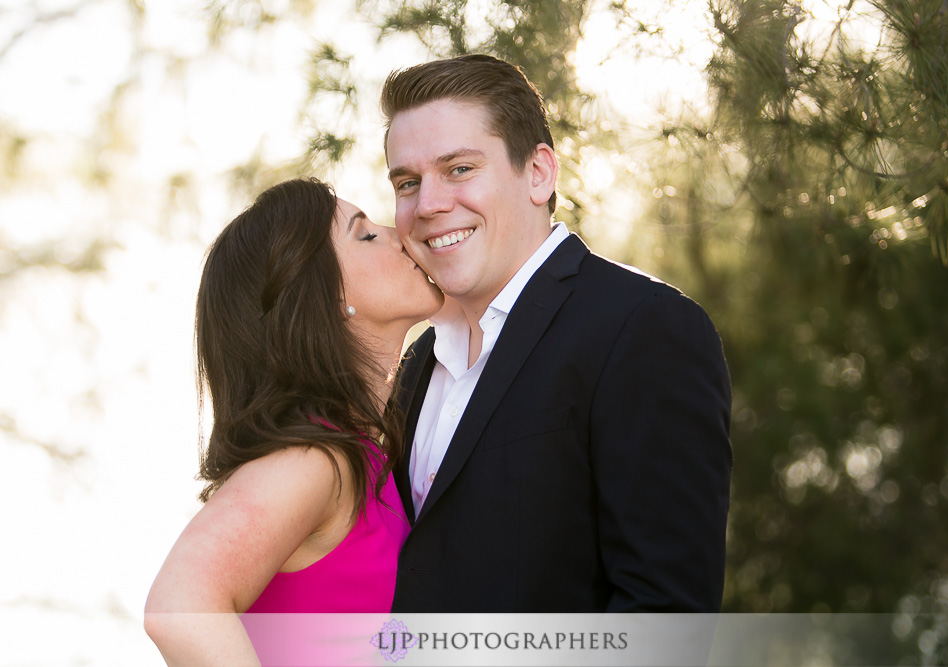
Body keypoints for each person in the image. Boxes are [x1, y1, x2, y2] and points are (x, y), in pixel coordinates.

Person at [381, 54, 733, 612]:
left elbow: (662, 618)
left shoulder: (643, 329)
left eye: (459, 169)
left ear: (539, 173)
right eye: (407, 182)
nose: (428, 205)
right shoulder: (416, 365)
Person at [144, 178, 443, 664]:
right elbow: (179, 606)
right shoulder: (314, 459)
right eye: (365, 235)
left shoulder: (366, 452)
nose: (400, 233)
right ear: (323, 298)